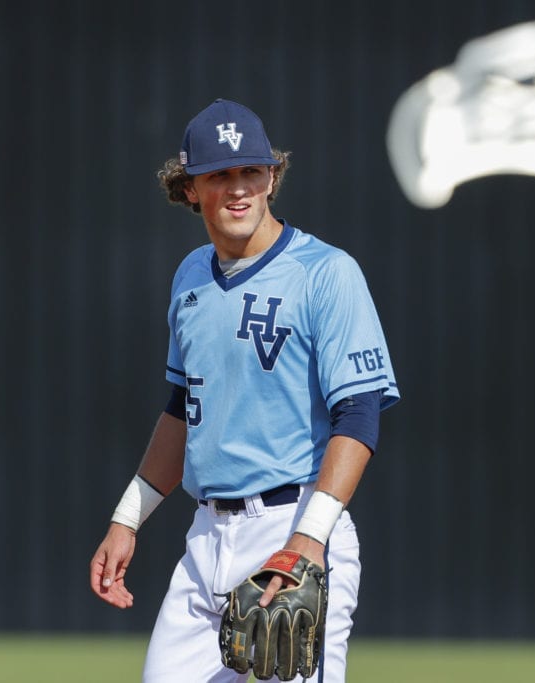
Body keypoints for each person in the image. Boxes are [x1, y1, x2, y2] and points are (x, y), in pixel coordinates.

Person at [88, 98, 400, 682]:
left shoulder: (326, 272)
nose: (239, 189)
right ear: (187, 189)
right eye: (220, 175)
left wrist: (308, 543)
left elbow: (358, 416)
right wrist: (127, 518)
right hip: (206, 535)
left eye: (251, 172)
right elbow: (184, 411)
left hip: (292, 520)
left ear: (272, 177)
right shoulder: (190, 278)